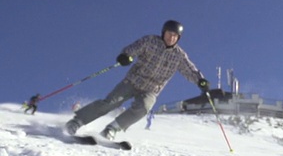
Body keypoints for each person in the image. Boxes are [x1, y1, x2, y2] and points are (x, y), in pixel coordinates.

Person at [64, 20, 210, 140]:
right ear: (163, 32)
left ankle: (112, 128)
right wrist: (126, 56)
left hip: (152, 89)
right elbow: (133, 49)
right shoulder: (150, 41)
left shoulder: (179, 56)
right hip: (133, 81)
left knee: (144, 108)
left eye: (175, 36)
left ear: (178, 38)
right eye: (169, 33)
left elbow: (190, 70)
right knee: (110, 103)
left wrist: (200, 81)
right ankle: (77, 121)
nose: (171, 38)